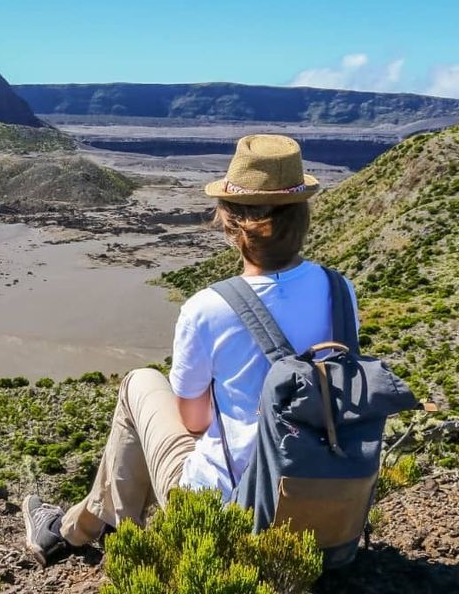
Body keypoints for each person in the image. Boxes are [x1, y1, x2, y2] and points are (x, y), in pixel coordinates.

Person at [22, 134, 358, 565]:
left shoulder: (209, 307)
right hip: (323, 512)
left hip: (235, 519)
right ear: (302, 217)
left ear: (232, 223)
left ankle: (112, 542)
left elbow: (194, 421)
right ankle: (80, 525)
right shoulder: (340, 291)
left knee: (139, 384)